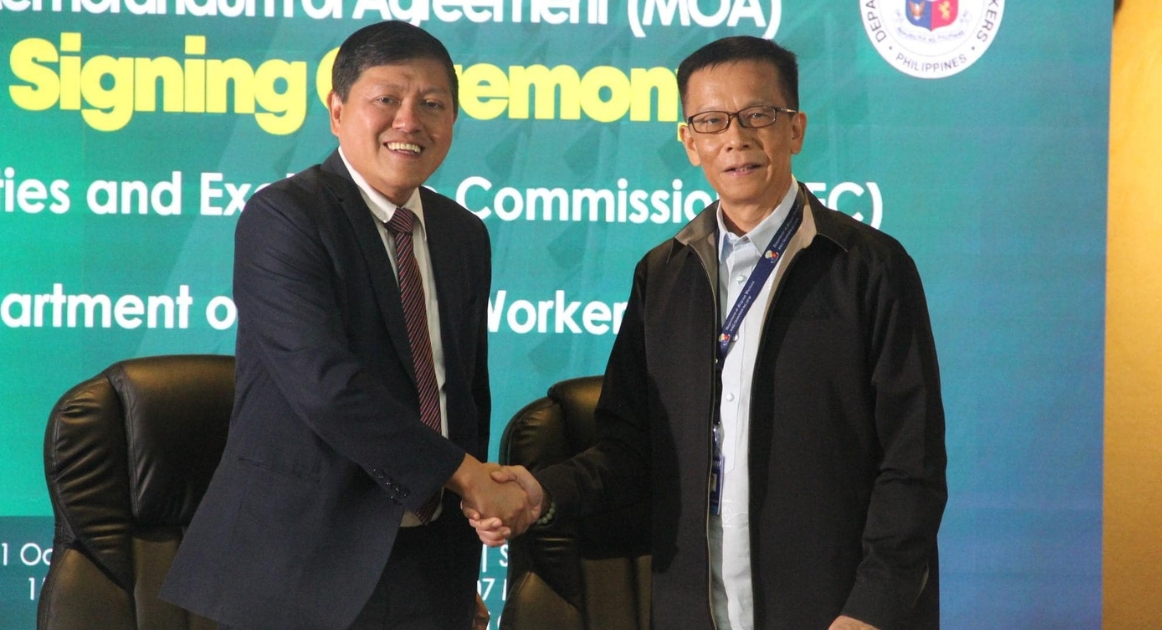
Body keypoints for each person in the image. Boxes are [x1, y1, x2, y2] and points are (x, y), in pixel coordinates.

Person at [472, 36, 948, 630]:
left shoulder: (867, 265)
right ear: (689, 141)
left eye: (758, 115)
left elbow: (912, 462)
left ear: (795, 129)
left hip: (834, 609)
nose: (735, 137)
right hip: (695, 608)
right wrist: (538, 494)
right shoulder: (663, 274)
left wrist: (871, 609)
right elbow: (629, 450)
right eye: (711, 120)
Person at [161, 21, 537, 630]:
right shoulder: (285, 217)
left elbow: (460, 396)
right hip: (300, 566)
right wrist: (468, 477)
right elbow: (327, 386)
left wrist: (457, 564)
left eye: (433, 105)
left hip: (427, 563)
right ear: (337, 111)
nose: (409, 121)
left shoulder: (463, 234)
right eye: (386, 99)